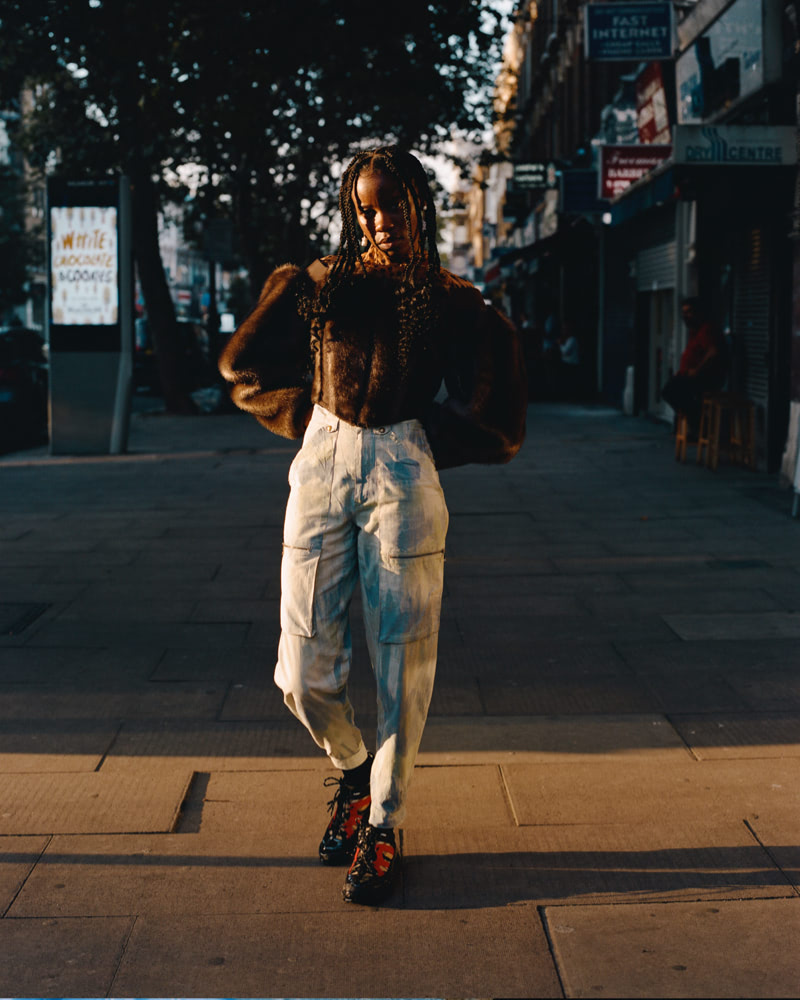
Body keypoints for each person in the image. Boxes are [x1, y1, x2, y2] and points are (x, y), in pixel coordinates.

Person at [218, 145, 527, 906]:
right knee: (301, 671)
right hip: (322, 457)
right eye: (366, 207)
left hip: (402, 469)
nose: (381, 220)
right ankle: (354, 769)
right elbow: (243, 366)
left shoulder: (452, 299)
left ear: (419, 201)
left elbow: (500, 409)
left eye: (392, 203)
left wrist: (426, 445)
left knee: (402, 665)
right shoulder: (321, 286)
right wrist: (305, 421)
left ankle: (383, 824)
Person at [661, 297, 727, 434]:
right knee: (672, 390)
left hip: (704, 377)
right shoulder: (695, 331)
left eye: (689, 312)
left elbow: (713, 351)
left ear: (698, 313)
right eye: (684, 313)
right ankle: (694, 421)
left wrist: (697, 370)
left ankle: (698, 422)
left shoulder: (706, 329)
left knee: (670, 390)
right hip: (691, 376)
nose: (686, 316)